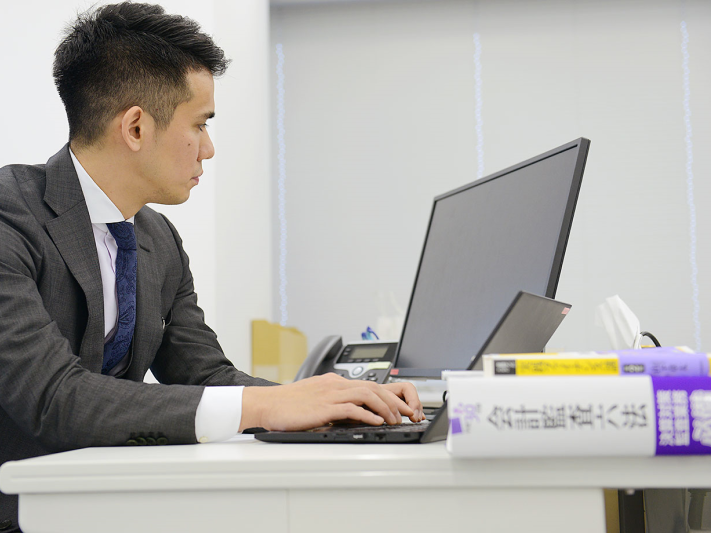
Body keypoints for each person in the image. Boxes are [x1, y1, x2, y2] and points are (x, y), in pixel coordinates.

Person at [0, 3, 423, 531]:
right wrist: (266, 407)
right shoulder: (10, 218)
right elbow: (53, 398)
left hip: (102, 506)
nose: (209, 149)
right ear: (136, 127)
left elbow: (206, 376)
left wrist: (333, 401)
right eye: (200, 124)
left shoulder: (158, 239)